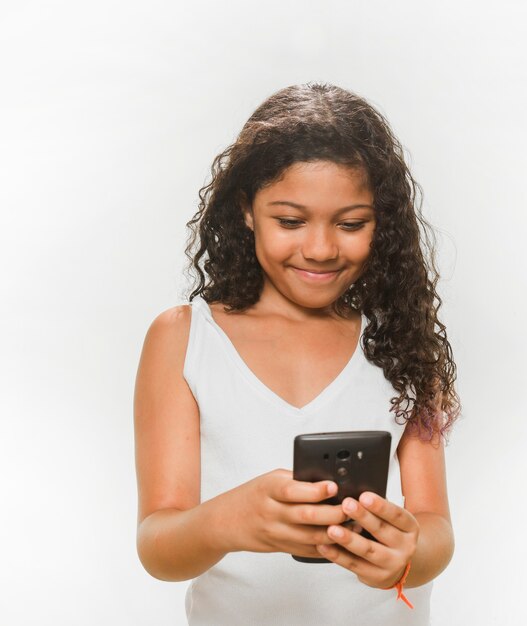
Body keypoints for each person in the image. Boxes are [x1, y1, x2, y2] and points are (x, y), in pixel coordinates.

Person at [133, 82, 461, 625]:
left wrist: (407, 554)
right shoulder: (186, 339)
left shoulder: (400, 337)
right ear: (246, 211)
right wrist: (228, 520)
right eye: (290, 221)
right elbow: (157, 547)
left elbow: (436, 530)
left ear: (383, 222)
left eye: (352, 223)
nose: (320, 248)